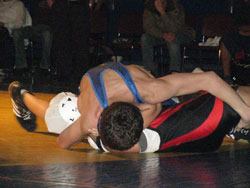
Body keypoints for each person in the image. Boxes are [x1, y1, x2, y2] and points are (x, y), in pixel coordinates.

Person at [8, 62, 250, 150]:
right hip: (90, 92)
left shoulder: (152, 93)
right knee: (61, 114)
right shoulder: (90, 118)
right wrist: (88, 131)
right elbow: (63, 141)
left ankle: (190, 87)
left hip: (136, 81)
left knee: (170, 96)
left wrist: (245, 112)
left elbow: (210, 78)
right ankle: (22, 95)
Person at [88, 87, 250, 153]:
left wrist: (99, 138)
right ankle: (240, 124)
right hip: (220, 110)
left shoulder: (138, 137)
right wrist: (99, 138)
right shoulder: (148, 137)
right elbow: (155, 104)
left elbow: (112, 146)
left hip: (209, 129)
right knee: (241, 93)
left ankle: (239, 126)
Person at [141, 0, 196, 76]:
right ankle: (150, 70)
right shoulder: (150, 6)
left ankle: (174, 71)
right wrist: (162, 35)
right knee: (145, 38)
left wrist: (162, 13)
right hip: (160, 35)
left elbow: (175, 28)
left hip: (179, 33)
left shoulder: (175, 6)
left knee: (172, 41)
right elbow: (148, 27)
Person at [48, 0, 91, 81]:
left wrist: (90, 3)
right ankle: (63, 73)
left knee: (81, 42)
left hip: (80, 6)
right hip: (61, 6)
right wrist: (52, 3)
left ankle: (80, 74)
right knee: (61, 41)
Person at [11, 0, 53, 80]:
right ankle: (21, 66)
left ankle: (45, 67)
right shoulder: (32, 2)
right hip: (32, 26)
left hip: (47, 27)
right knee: (17, 33)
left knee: (47, 34)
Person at [220, 0, 250, 84]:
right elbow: (238, 26)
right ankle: (227, 76)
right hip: (241, 34)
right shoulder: (240, 5)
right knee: (226, 39)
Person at [0, 0, 26, 70]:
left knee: (2, 32)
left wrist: (4, 24)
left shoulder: (18, 4)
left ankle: (4, 66)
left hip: (9, 30)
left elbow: (19, 23)